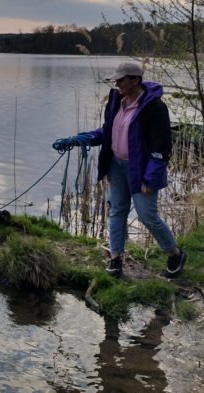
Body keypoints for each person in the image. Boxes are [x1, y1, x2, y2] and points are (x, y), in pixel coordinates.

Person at [57, 61, 186, 279]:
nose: (117, 84)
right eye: (116, 80)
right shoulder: (117, 101)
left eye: (121, 80)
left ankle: (175, 253)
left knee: (147, 216)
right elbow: (108, 131)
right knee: (117, 210)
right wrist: (84, 138)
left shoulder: (155, 107)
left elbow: (161, 147)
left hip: (141, 170)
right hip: (116, 165)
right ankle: (115, 258)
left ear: (135, 80)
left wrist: (149, 178)